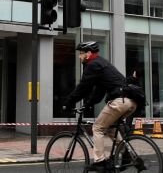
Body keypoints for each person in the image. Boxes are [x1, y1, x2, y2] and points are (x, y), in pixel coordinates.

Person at [61, 41, 144, 172]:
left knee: (97, 128)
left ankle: (100, 162)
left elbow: (83, 88)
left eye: (81, 53)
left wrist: (67, 103)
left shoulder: (92, 65)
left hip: (120, 101)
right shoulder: (102, 63)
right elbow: (99, 93)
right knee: (110, 128)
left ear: (88, 53)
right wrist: (87, 105)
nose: (79, 56)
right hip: (131, 102)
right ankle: (126, 153)